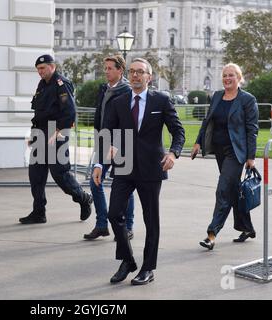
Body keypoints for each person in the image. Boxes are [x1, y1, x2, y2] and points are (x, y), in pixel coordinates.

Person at [92, 58, 185, 285]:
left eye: (140, 72)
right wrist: (99, 163)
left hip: (152, 168)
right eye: (132, 71)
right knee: (114, 214)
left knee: (151, 220)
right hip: (124, 165)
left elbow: (178, 131)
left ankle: (148, 268)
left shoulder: (161, 100)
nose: (135, 75)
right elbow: (106, 133)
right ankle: (127, 260)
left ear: (149, 77)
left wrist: (173, 153)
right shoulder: (119, 101)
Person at [191, 63, 259, 250]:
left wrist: (251, 156)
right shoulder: (217, 96)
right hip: (220, 151)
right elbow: (208, 121)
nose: (227, 78)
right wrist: (198, 142)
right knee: (233, 189)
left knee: (222, 190)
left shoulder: (247, 99)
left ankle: (211, 234)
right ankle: (247, 228)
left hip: (236, 153)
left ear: (239, 78)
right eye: (225, 75)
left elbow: (252, 129)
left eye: (231, 75)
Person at [20, 54, 93, 224]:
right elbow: (38, 112)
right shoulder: (42, 84)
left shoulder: (61, 83)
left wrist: (58, 130)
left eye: (43, 68)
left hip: (56, 132)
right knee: (36, 175)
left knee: (60, 173)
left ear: (52, 66)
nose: (40, 72)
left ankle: (83, 198)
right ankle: (39, 212)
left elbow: (70, 112)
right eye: (38, 69)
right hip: (40, 133)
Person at [84, 55, 135, 241]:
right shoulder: (104, 89)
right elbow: (100, 115)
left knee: (125, 186)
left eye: (109, 68)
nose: (106, 71)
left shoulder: (128, 91)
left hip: (123, 143)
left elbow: (129, 121)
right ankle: (101, 224)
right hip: (103, 142)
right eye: (104, 68)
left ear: (120, 70)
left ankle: (128, 226)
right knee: (94, 182)